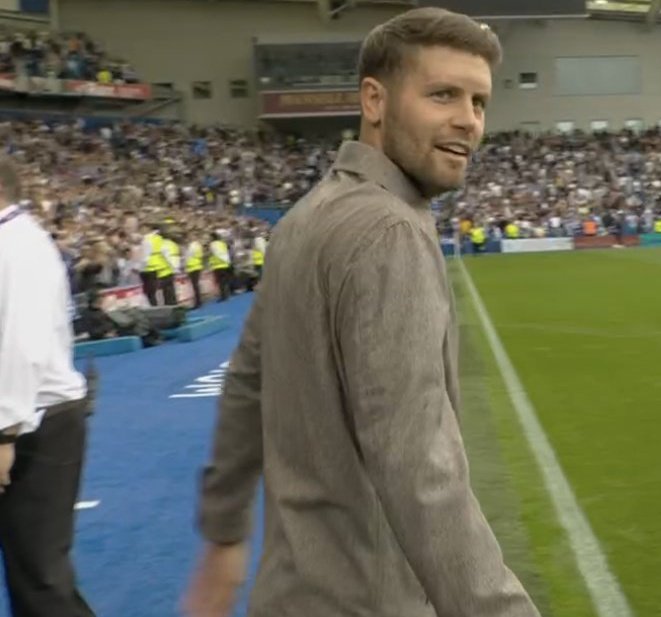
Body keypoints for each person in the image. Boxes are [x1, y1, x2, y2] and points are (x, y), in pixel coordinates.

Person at [182, 8, 540, 617]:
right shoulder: (389, 230)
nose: (468, 121)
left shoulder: (304, 217)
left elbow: (246, 382)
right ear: (374, 100)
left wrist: (223, 531)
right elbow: (417, 465)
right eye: (443, 94)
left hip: (291, 594)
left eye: (479, 101)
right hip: (373, 598)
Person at [0, 160, 97, 617]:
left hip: (36, 425)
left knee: (39, 579)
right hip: (28, 419)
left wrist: (5, 433)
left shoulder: (19, 247)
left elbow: (24, 345)